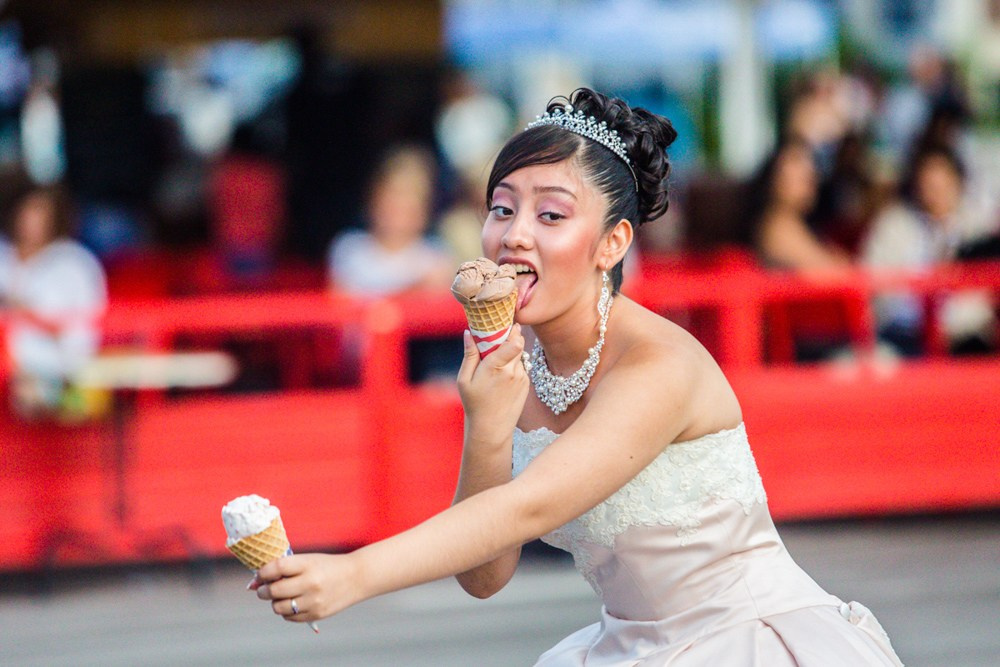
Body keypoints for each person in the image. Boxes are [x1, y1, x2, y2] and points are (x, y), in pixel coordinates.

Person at [252, 89, 903, 665]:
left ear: (613, 243)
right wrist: (486, 421)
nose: (515, 235)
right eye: (502, 209)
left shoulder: (659, 364)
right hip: (629, 644)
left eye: (552, 215)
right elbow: (484, 575)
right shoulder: (516, 359)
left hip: (746, 640)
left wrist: (355, 574)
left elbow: (529, 505)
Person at [862, 144, 998, 356]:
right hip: (903, 335)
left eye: (942, 185)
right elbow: (872, 279)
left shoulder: (981, 225)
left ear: (958, 183)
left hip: (968, 337)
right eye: (928, 186)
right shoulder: (894, 225)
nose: (935, 193)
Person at [0, 186, 107, 418]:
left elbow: (82, 334)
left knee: (35, 390)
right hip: (6, 371)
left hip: (53, 372)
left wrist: (25, 312)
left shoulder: (76, 264)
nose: (31, 219)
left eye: (40, 211)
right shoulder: (3, 255)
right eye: (26, 210)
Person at [327, 144, 453, 295]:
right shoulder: (349, 249)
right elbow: (341, 303)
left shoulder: (435, 257)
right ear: (372, 201)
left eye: (407, 206)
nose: (397, 213)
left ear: (424, 211)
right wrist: (413, 290)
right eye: (391, 202)